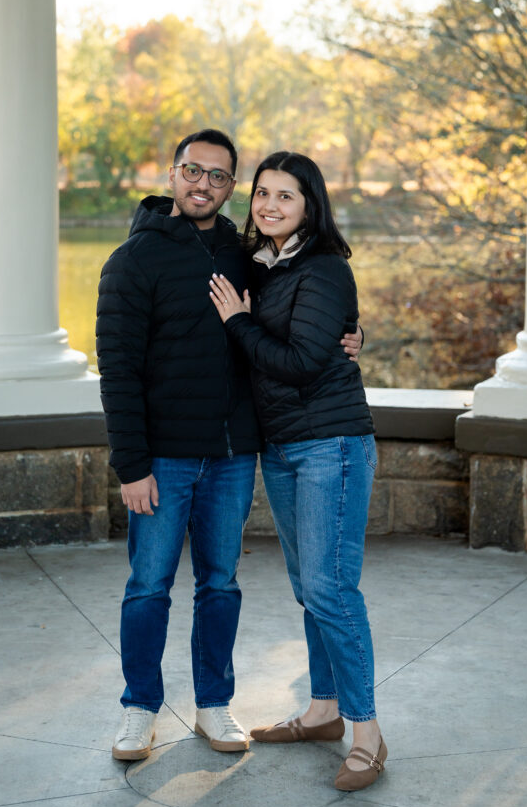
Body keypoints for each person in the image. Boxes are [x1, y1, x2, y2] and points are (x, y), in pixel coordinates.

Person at [96, 130, 363, 764]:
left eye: (219, 177)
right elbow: (118, 371)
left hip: (234, 455)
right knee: (148, 586)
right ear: (172, 173)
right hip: (161, 458)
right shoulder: (132, 262)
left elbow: (304, 309)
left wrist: (352, 331)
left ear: (230, 187)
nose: (203, 185)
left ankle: (213, 705)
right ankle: (139, 709)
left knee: (220, 585)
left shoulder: (247, 255)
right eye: (193, 171)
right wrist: (131, 465)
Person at [209, 151, 386, 793]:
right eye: (262, 194)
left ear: (310, 203)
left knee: (332, 589)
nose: (270, 206)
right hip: (282, 447)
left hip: (329, 446)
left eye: (286, 196)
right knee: (309, 588)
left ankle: (367, 733)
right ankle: (323, 711)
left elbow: (305, 361)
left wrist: (238, 321)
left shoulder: (323, 267)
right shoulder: (266, 265)